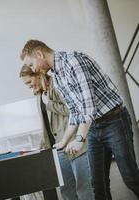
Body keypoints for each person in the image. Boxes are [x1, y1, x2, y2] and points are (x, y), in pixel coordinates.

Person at [20, 40, 139, 200]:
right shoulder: (58, 75)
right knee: (98, 186)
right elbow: (76, 111)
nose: (33, 69)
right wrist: (64, 141)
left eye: (32, 63)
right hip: (93, 128)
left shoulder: (73, 61)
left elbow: (88, 106)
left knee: (131, 178)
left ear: (40, 54)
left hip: (114, 122)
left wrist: (79, 138)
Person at [19, 65, 94, 200]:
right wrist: (43, 142)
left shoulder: (57, 85)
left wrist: (49, 104)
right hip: (57, 148)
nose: (29, 86)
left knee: (84, 190)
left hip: (73, 145)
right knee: (66, 191)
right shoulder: (39, 94)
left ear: (38, 75)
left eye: (30, 82)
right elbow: (46, 124)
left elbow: (73, 110)